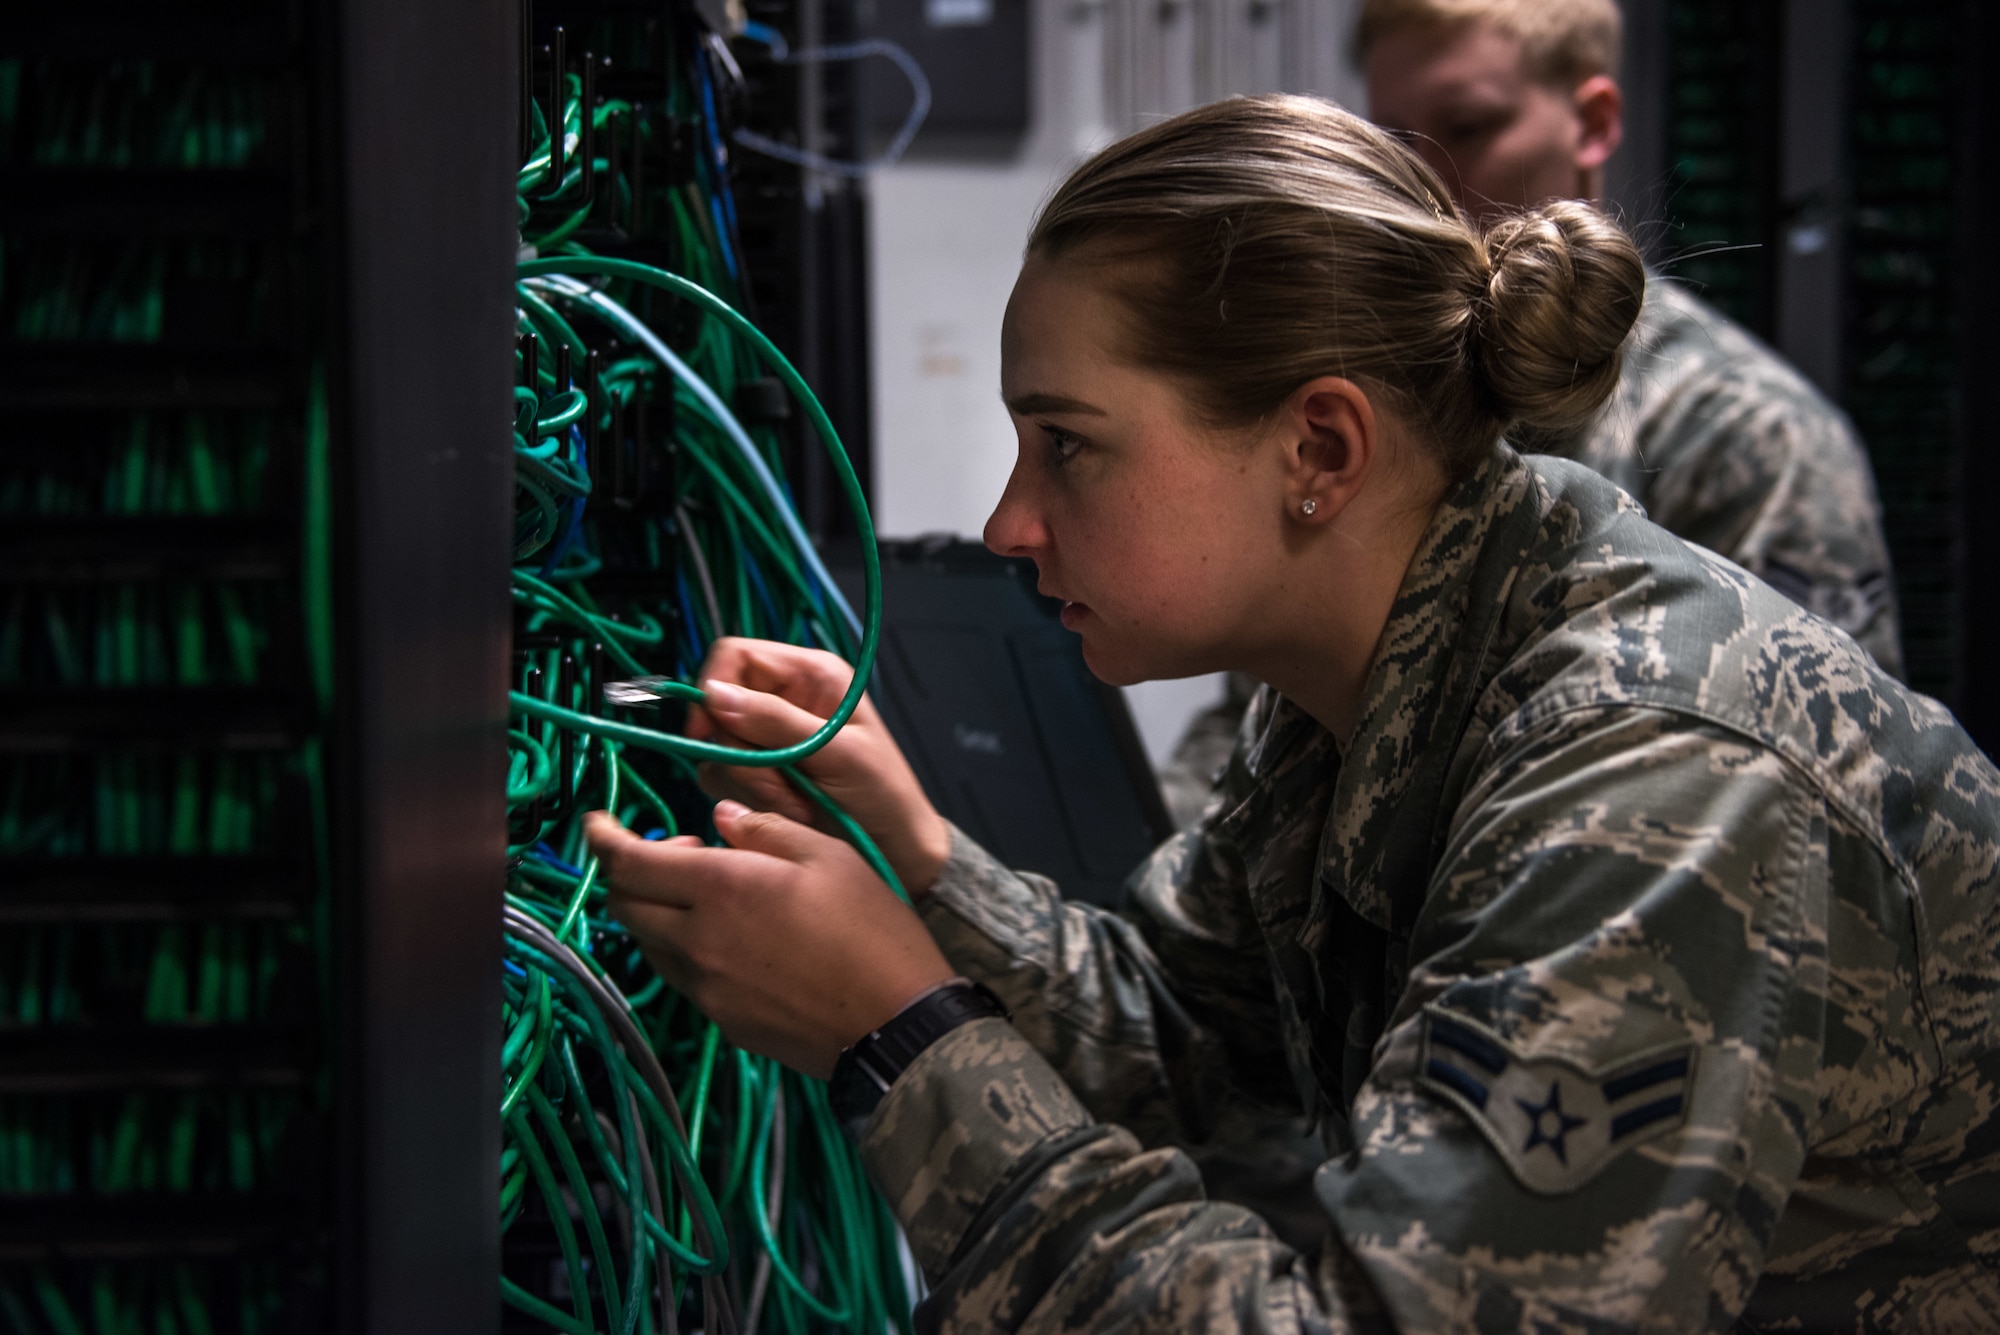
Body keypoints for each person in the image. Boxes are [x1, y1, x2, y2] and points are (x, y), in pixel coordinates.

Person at [586, 97, 2000, 1330]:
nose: (1009, 522)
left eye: (1067, 444)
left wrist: (897, 1034)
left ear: (1318, 448)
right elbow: (1199, 1054)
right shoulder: (1368, 674)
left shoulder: (1656, 775)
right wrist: (924, 867)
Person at [1157, 0, 1905, 828]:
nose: (1424, 190)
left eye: (1467, 129)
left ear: (1592, 124)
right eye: (1398, 146)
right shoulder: (1364, 410)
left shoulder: (1750, 440)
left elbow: (1819, 799)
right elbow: (1261, 728)